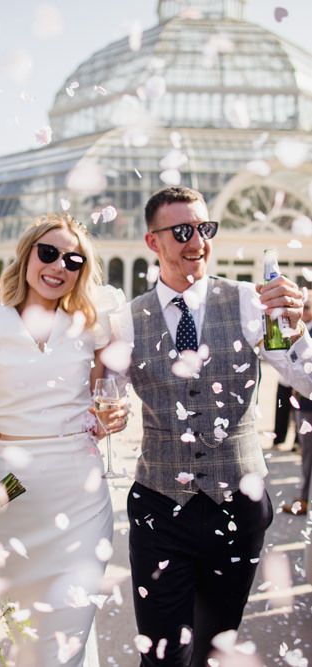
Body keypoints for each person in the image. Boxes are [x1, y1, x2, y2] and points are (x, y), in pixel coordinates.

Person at [112, 186, 312, 667]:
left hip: (237, 508)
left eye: (205, 228)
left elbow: (306, 376)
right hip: (159, 508)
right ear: (152, 241)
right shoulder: (125, 319)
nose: (197, 240)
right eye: (182, 231)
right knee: (162, 656)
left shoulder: (248, 301)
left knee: (212, 649)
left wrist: (302, 332)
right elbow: (98, 402)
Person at [0, 215, 127, 666]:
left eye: (73, 259)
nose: (58, 265)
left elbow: (99, 407)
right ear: (27, 254)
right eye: (48, 252)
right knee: (14, 636)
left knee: (64, 636)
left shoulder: (94, 327)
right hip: (12, 499)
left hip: (81, 498)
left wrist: (114, 417)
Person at [283, 293, 312, 515]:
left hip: (309, 406)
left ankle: (303, 499)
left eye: (307, 306)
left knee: (308, 457)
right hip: (304, 403)